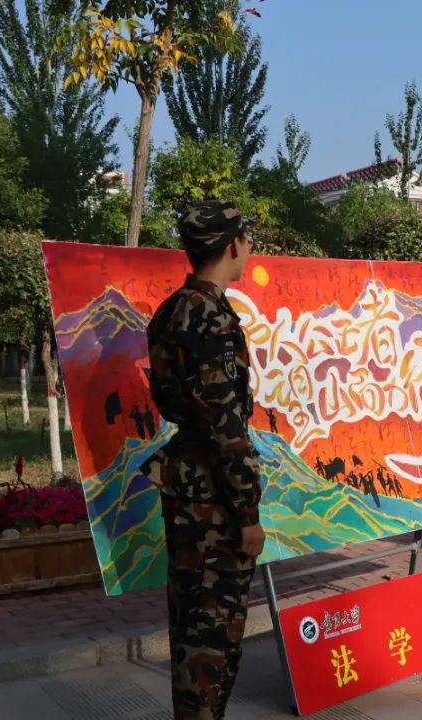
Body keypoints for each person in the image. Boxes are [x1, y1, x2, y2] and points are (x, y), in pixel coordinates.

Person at [140, 199, 266, 719]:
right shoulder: (211, 317)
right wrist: (248, 512)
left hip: (186, 484)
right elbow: (225, 426)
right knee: (213, 634)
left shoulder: (172, 310)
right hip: (214, 498)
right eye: (247, 239)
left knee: (191, 621)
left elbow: (174, 402)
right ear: (232, 245)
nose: (250, 248)